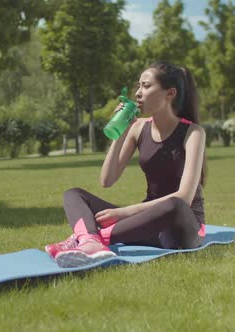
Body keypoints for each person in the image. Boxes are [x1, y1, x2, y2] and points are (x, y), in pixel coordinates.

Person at [46, 61, 207, 268]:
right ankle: (90, 241)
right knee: (73, 194)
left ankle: (89, 239)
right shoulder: (139, 128)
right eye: (138, 86)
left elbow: (184, 198)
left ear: (170, 93)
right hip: (147, 227)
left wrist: (123, 213)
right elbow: (107, 180)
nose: (138, 93)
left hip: (181, 227)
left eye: (146, 86)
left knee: (174, 205)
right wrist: (120, 132)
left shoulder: (193, 133)